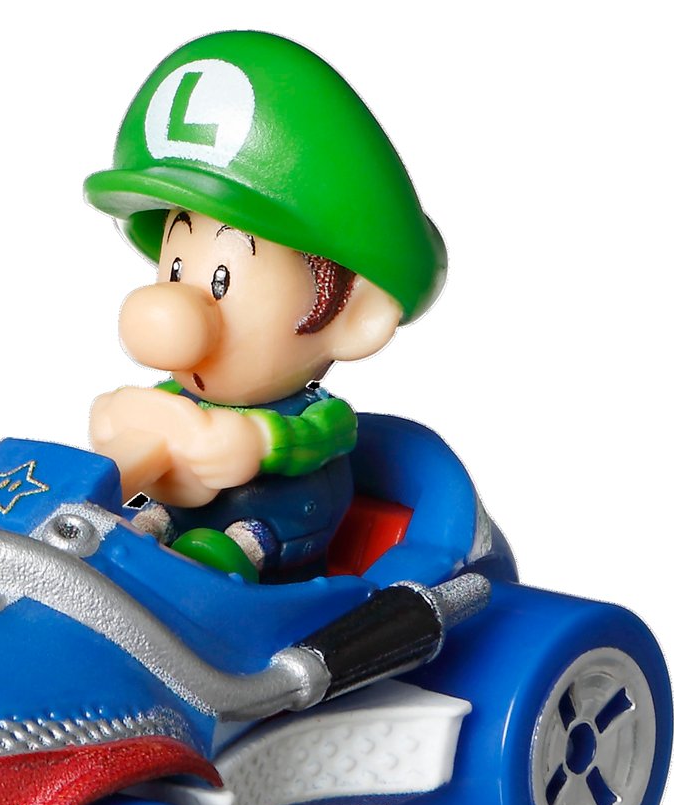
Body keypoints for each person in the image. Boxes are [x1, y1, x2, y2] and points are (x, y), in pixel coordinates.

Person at [85, 31, 445, 581]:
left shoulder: (321, 415)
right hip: (179, 522)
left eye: (222, 279)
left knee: (233, 543)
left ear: (352, 312)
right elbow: (148, 430)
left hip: (275, 545)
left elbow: (317, 436)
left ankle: (217, 566)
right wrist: (121, 425)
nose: (176, 304)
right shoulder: (182, 400)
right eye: (175, 268)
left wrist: (258, 440)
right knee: (142, 524)